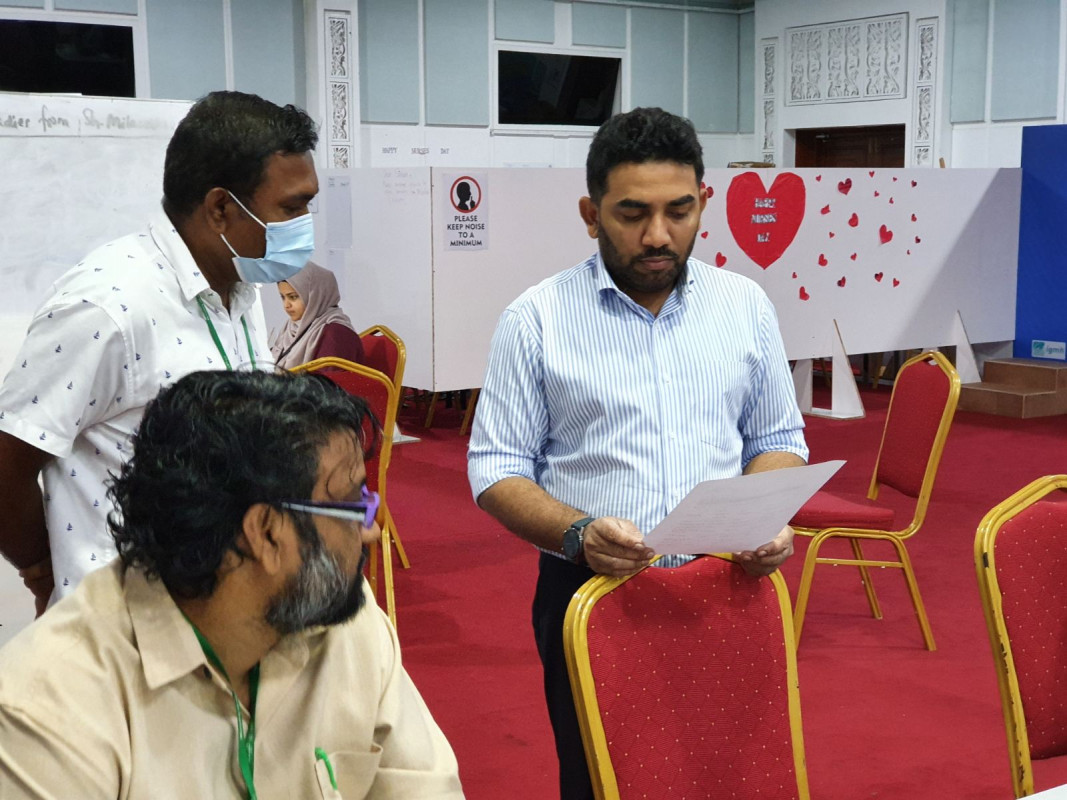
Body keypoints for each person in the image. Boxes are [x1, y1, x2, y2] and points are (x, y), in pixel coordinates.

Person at [467, 107, 809, 800]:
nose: (657, 235)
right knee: (602, 780)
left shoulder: (744, 307)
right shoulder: (536, 319)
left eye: (678, 210)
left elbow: (778, 440)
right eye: (631, 213)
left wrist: (761, 516)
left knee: (727, 774)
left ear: (703, 202)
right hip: (591, 594)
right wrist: (577, 532)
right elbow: (496, 467)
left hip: (725, 588)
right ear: (590, 214)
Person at [0, 369, 465, 799]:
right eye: (351, 505)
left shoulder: (344, 621)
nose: (370, 530)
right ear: (266, 533)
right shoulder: (49, 708)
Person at [0, 90, 320, 614]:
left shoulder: (241, 287)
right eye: (291, 207)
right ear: (221, 208)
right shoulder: (108, 308)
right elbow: (7, 461)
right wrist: (41, 570)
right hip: (126, 625)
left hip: (219, 611)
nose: (305, 222)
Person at [271, 260, 365, 369]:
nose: (286, 305)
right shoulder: (290, 328)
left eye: (293, 297)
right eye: (283, 297)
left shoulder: (336, 334)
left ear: (315, 295)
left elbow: (329, 378)